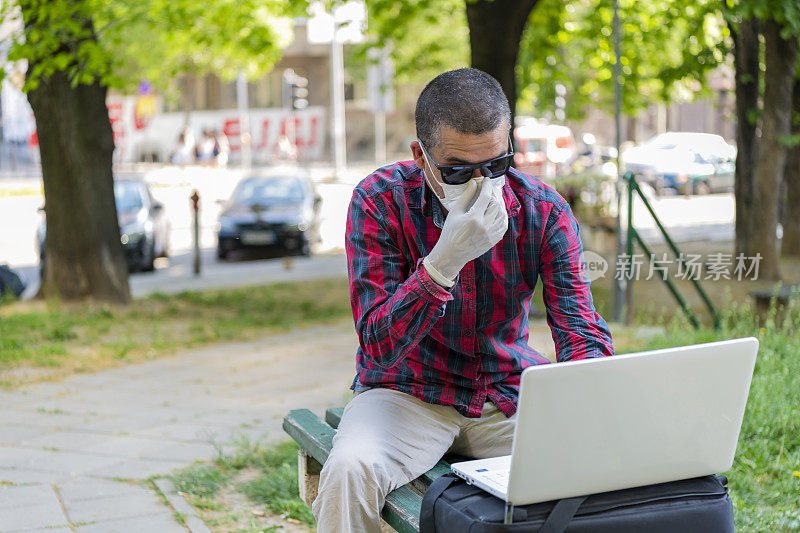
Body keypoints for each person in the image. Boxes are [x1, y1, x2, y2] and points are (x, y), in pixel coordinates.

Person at [312, 68, 615, 532]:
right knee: (349, 472)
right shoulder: (379, 201)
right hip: (407, 392)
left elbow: (581, 329)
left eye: (495, 166)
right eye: (457, 170)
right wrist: (442, 264)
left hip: (506, 390)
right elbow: (377, 345)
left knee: (611, 464)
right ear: (421, 156)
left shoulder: (543, 209)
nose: (480, 184)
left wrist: (585, 393)